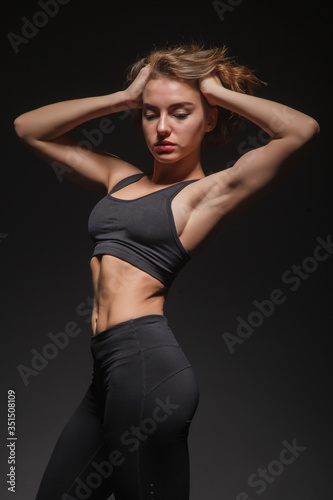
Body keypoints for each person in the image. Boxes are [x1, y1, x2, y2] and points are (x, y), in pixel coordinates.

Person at [14, 43, 319, 500]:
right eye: (149, 113)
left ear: (209, 118)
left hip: (146, 369)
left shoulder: (206, 195)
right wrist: (121, 98)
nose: (162, 128)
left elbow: (301, 131)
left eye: (180, 113)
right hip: (107, 375)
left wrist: (215, 90)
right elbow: (28, 128)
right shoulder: (121, 178)